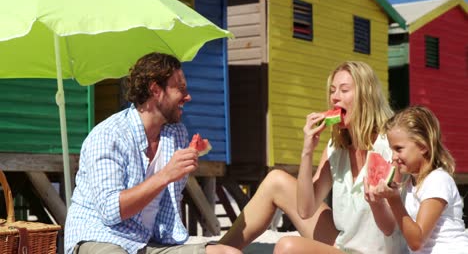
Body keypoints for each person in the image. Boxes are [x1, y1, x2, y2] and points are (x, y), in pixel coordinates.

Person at [219, 61, 407, 253]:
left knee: (288, 246)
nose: (335, 97)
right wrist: (307, 151)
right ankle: (219, 249)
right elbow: (305, 210)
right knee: (275, 180)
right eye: (332, 91)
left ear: (366, 96)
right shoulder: (336, 147)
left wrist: (375, 200)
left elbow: (390, 227)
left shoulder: (391, 146)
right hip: (345, 244)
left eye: (344, 90)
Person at [64, 52, 240, 254]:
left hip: (146, 243)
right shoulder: (109, 135)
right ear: (156, 90)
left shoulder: (176, 134)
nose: (188, 96)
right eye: (180, 88)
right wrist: (165, 174)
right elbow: (110, 211)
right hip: (100, 238)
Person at [364, 105, 468, 253]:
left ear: (423, 146)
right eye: (391, 149)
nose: (393, 157)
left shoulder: (438, 180)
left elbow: (417, 241)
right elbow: (389, 228)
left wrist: (394, 200)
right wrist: (376, 202)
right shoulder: (409, 184)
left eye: (399, 149)